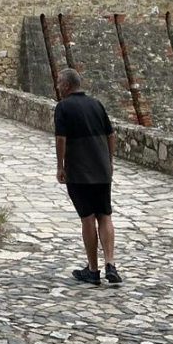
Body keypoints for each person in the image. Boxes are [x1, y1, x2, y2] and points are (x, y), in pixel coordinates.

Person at [54, 67, 122, 286]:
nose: (57, 86)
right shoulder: (96, 104)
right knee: (105, 214)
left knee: (87, 218)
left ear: (66, 85)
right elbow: (111, 134)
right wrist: (109, 160)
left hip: (79, 171)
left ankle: (93, 269)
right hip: (102, 169)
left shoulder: (63, 107)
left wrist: (60, 166)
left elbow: (61, 139)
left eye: (58, 83)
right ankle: (110, 263)